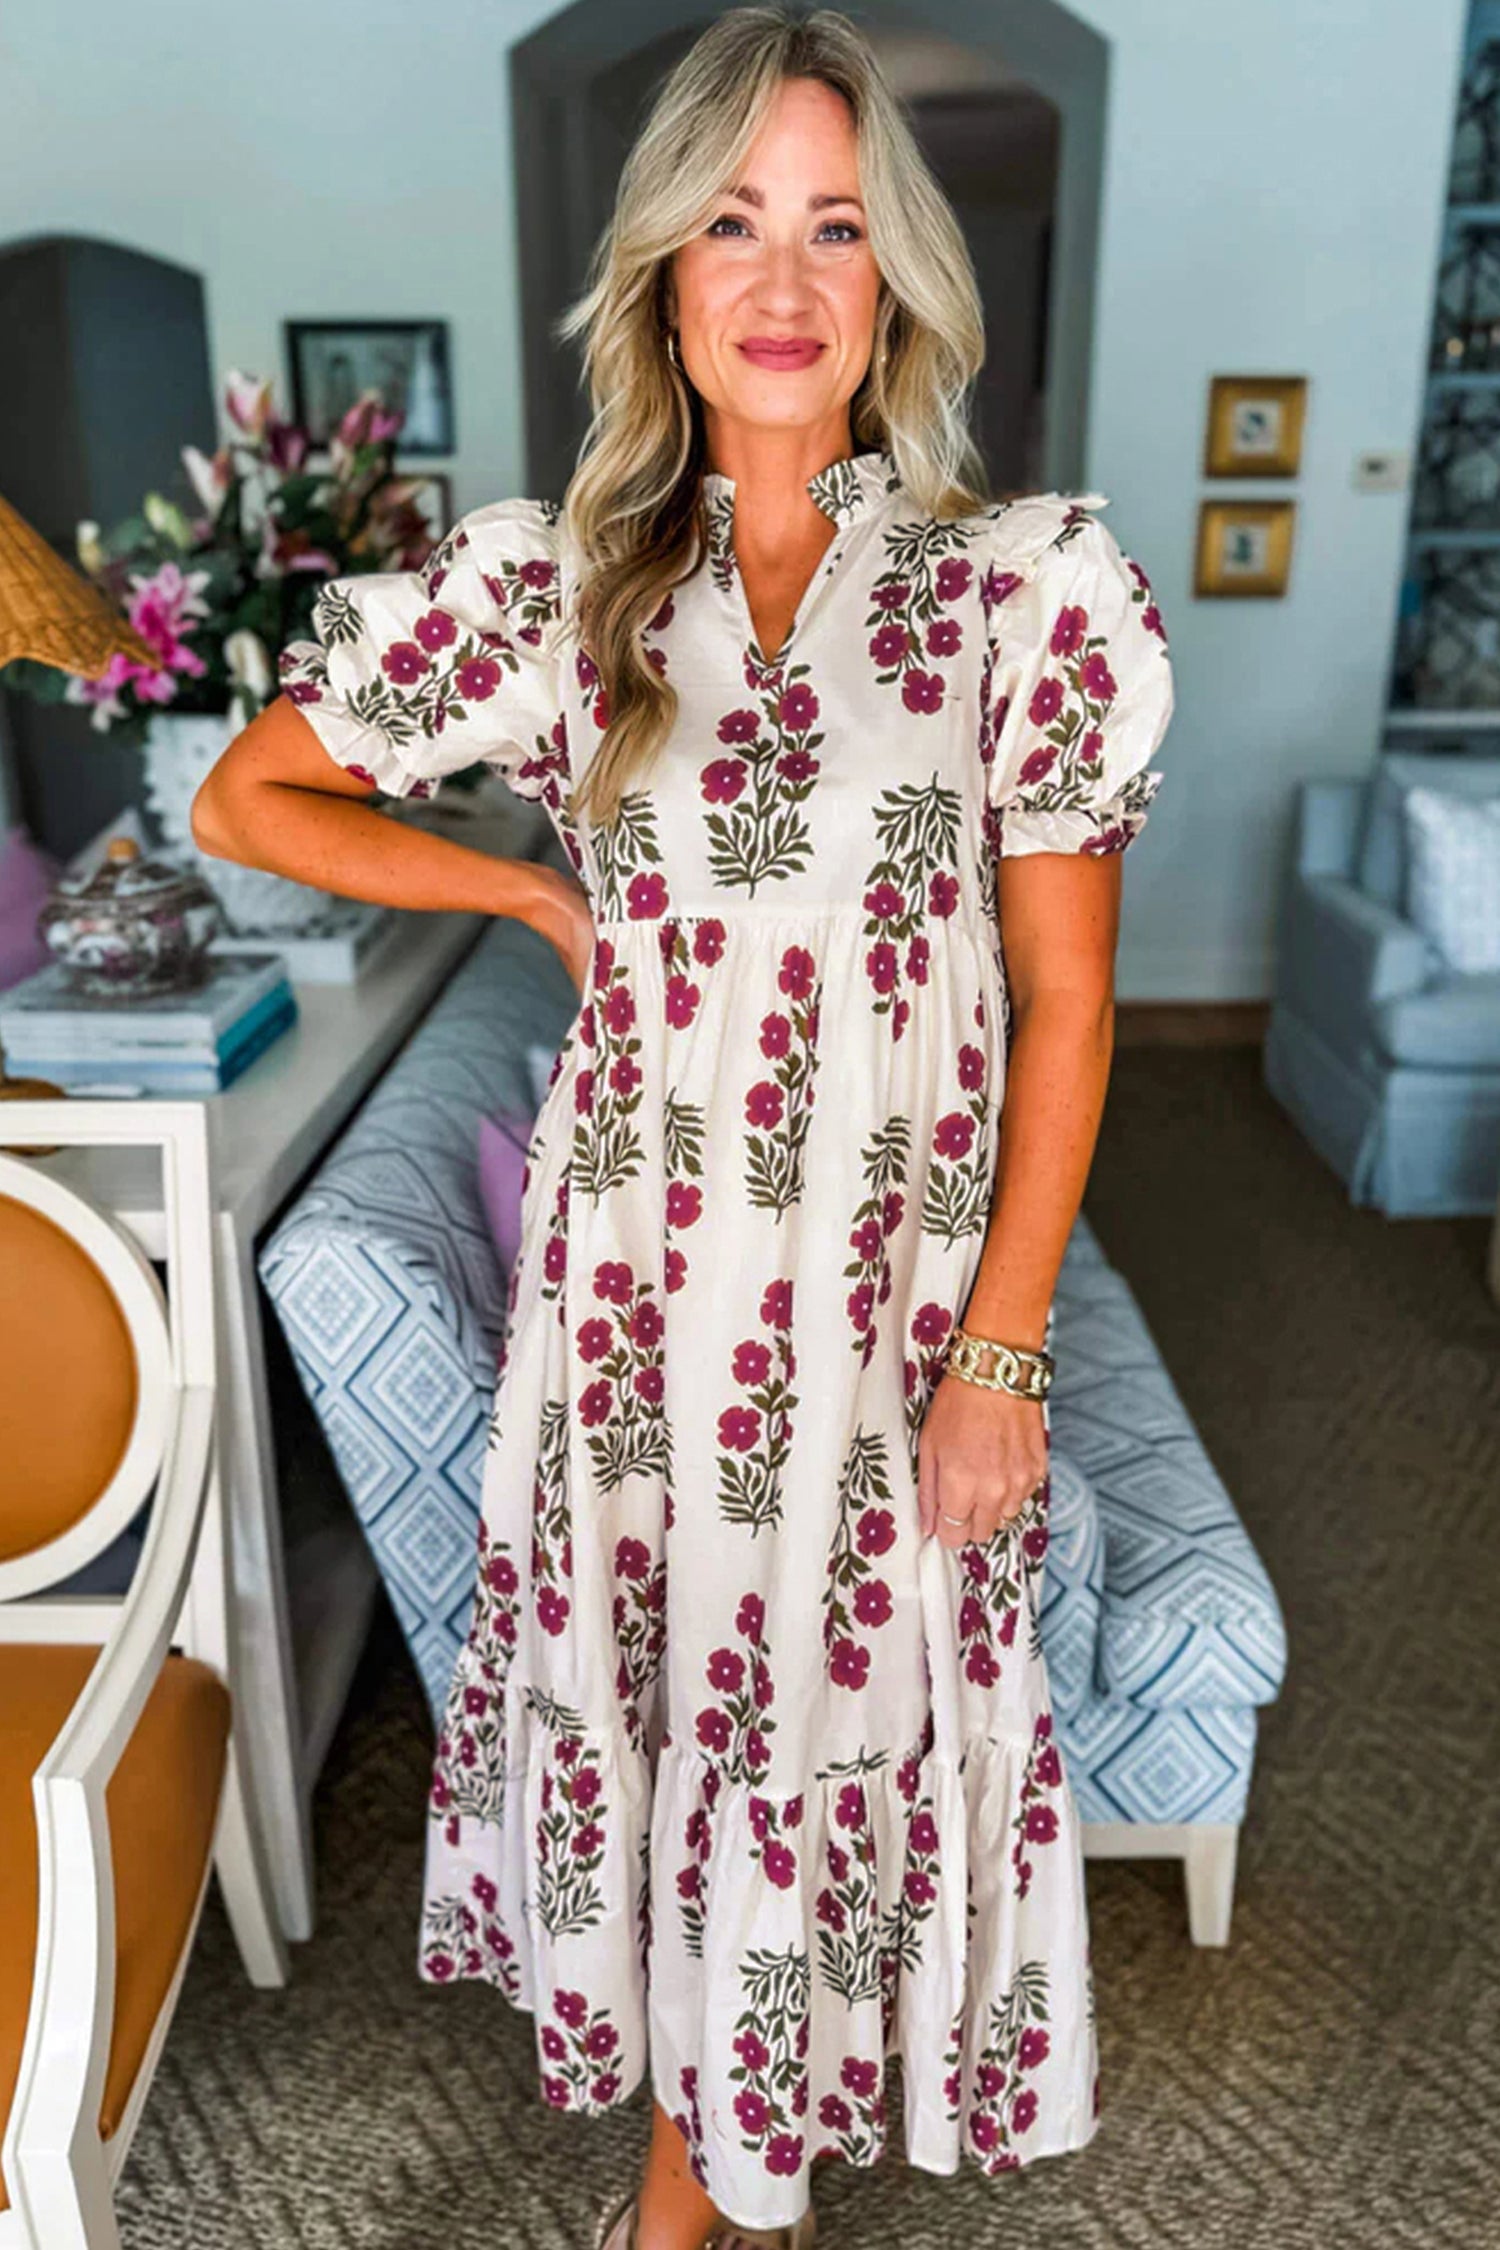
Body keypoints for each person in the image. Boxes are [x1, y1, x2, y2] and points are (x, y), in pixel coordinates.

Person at [190, 10, 1174, 2248]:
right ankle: (707, 2166)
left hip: (891, 1306)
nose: (784, 273)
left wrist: (1003, 1351)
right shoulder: (562, 587)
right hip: (641, 1308)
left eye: (835, 222)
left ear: (898, 274)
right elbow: (253, 792)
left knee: (855, 1717)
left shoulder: (1018, 592)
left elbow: (1069, 998)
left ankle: (710, 2177)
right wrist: (530, 886)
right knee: (679, 1710)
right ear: (659, 273)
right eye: (731, 219)